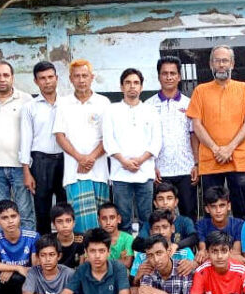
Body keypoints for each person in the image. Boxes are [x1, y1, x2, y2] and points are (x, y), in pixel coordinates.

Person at [186, 45, 245, 220]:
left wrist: (229, 148)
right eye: (217, 61)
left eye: (225, 60)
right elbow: (197, 124)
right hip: (210, 159)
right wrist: (216, 149)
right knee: (212, 210)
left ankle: (242, 239)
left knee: (242, 209)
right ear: (211, 64)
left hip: (238, 159)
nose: (221, 65)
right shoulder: (200, 91)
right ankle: (214, 238)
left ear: (232, 64)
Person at [53, 59, 110, 233]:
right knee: (78, 223)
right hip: (74, 172)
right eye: (77, 76)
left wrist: (90, 158)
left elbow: (109, 137)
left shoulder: (103, 102)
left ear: (92, 77)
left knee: (102, 222)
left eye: (85, 75)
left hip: (99, 172)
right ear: (71, 79)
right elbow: (60, 136)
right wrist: (80, 158)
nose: (81, 80)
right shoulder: (63, 103)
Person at [103, 68, 161, 233]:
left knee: (146, 218)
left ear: (141, 87)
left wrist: (140, 160)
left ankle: (146, 247)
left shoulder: (151, 110)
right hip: (120, 173)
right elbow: (108, 141)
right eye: (128, 83)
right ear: (121, 87)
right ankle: (126, 248)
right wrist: (124, 161)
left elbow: (156, 141)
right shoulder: (111, 110)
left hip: (145, 172)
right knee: (123, 218)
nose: (132, 86)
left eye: (136, 83)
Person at [0, 60, 35, 230]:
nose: (2, 79)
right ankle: (1, 246)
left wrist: (28, 166)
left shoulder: (26, 99)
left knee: (25, 212)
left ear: (12, 77)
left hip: (20, 166)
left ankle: (28, 246)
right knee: (0, 214)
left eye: (6, 75)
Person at [146, 56, 199, 221]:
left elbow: (194, 135)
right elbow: (145, 139)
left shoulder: (190, 104)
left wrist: (197, 164)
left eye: (173, 73)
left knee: (189, 215)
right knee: (160, 218)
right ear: (158, 76)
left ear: (179, 76)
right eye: (165, 73)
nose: (169, 77)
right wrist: (151, 166)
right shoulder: (148, 105)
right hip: (160, 171)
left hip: (186, 169)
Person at [19, 61, 67, 234]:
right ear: (36, 81)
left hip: (65, 159)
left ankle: (64, 244)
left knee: (65, 207)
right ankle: (45, 244)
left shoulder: (68, 104)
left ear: (57, 78)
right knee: (42, 209)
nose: (47, 81)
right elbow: (26, 139)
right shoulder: (29, 107)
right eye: (42, 78)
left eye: (50, 77)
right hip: (40, 161)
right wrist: (26, 171)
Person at [130, 209, 195, 289]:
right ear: (151, 232)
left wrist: (193, 264)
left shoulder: (185, 252)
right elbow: (132, 286)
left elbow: (195, 278)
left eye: (165, 227)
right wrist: (136, 278)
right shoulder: (142, 255)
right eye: (156, 228)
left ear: (172, 228)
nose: (161, 232)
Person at [133, 182, 198, 253]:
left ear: (176, 202)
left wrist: (177, 245)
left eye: (169, 198)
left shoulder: (185, 221)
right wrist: (157, 246)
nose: (165, 202)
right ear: (155, 203)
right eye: (160, 199)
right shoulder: (149, 222)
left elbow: (194, 238)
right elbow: (136, 244)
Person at [195, 186, 244, 264]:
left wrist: (212, 254)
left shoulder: (239, 224)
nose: (218, 211)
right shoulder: (201, 225)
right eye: (213, 206)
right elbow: (203, 252)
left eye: (222, 205)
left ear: (228, 206)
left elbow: (236, 255)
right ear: (207, 209)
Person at [97, 202, 133, 269]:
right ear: (99, 221)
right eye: (104, 218)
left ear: (118, 219)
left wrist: (100, 262)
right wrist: (120, 260)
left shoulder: (128, 238)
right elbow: (88, 261)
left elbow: (127, 263)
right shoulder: (95, 238)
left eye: (112, 218)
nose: (108, 222)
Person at [50, 203, 84, 269]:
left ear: (74, 223)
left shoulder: (83, 239)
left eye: (68, 221)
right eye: (59, 221)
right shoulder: (49, 241)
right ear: (54, 224)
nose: (64, 225)